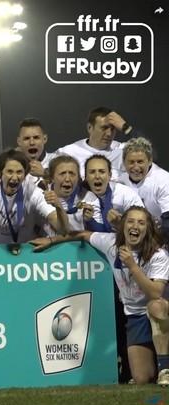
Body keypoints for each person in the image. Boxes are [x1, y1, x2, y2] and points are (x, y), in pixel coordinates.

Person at [31, 206, 169, 385]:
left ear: (148, 229)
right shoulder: (111, 243)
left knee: (155, 307)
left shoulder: (158, 255)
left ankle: (165, 370)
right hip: (134, 316)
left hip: (160, 311)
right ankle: (157, 368)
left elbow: (154, 293)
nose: (135, 226)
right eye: (131, 221)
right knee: (141, 378)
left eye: (141, 223)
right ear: (123, 226)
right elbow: (82, 234)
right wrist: (52, 240)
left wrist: (132, 266)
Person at [0, 149, 69, 246]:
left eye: (19, 172)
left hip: (25, 253)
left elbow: (62, 230)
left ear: (25, 174)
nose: (14, 178)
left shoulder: (33, 193)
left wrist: (58, 206)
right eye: (10, 172)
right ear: (1, 173)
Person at [54, 107, 143, 181]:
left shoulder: (122, 150)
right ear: (90, 128)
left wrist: (126, 128)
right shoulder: (68, 153)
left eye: (113, 129)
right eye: (104, 128)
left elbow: (150, 155)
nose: (109, 134)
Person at [118, 138, 169, 240]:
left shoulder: (164, 180)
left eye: (140, 162)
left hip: (159, 236)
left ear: (150, 160)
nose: (136, 167)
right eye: (131, 162)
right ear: (124, 162)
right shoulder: (120, 180)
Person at [79, 155, 143, 233]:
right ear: (86, 177)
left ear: (110, 175)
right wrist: (89, 221)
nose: (97, 176)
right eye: (92, 172)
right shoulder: (77, 196)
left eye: (102, 171)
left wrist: (120, 224)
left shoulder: (126, 194)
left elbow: (142, 225)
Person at [43, 156, 85, 235]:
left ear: (78, 177)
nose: (67, 179)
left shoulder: (87, 196)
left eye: (72, 174)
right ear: (52, 177)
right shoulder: (42, 198)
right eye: (62, 174)